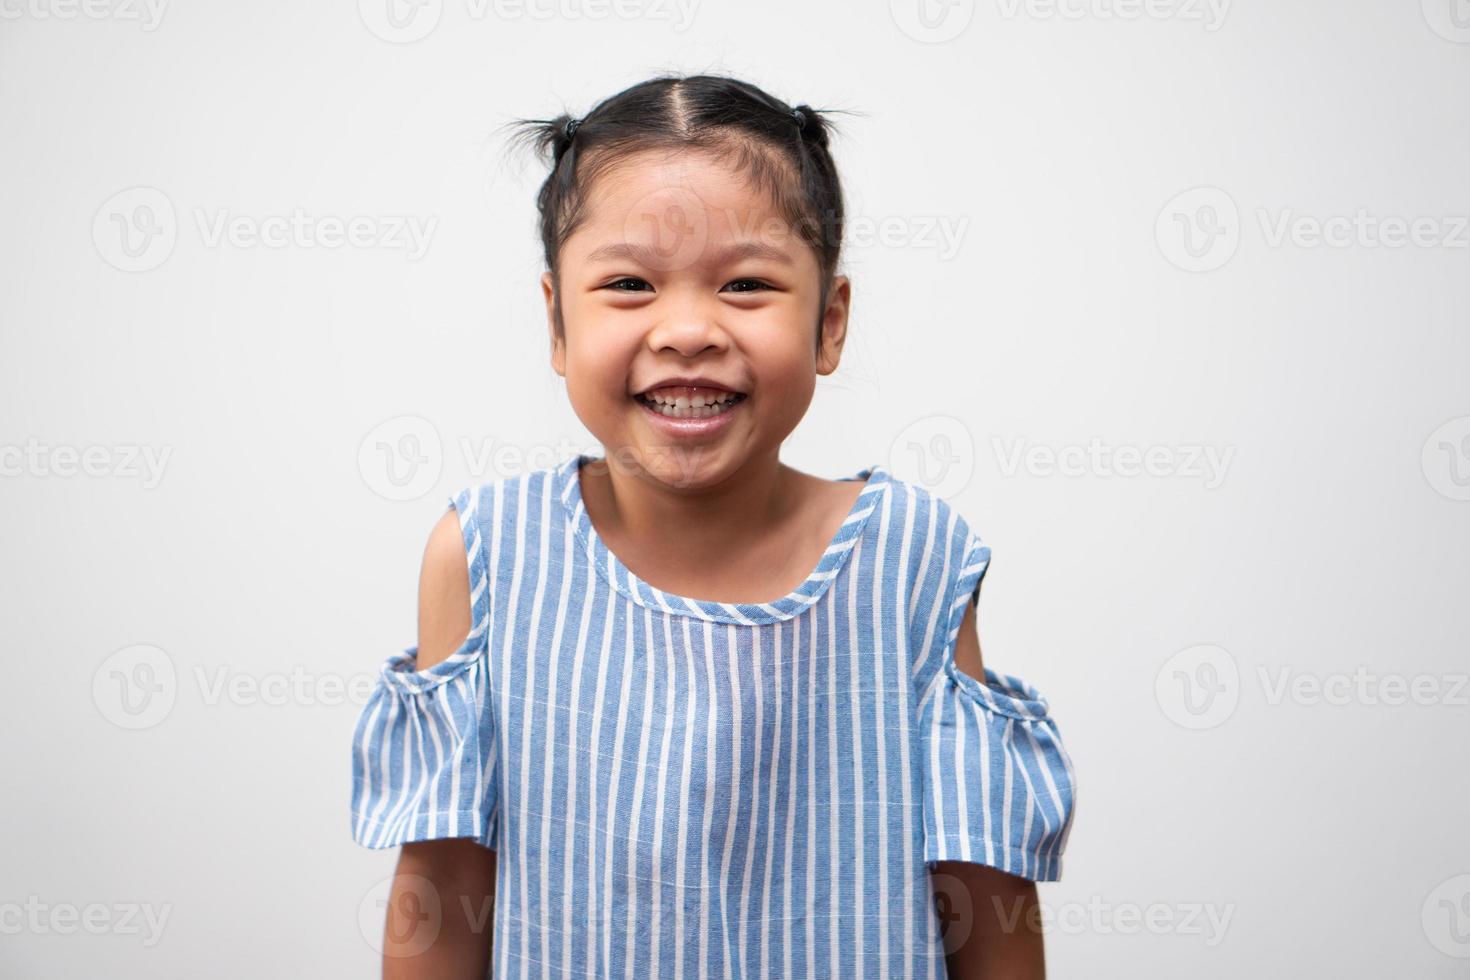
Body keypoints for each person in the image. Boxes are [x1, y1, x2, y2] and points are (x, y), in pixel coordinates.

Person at [349, 72, 1077, 979]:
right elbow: (443, 894)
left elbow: (987, 902)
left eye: (744, 283)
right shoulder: (487, 556)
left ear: (830, 322)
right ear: (556, 325)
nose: (687, 329)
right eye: (627, 283)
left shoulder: (913, 563)